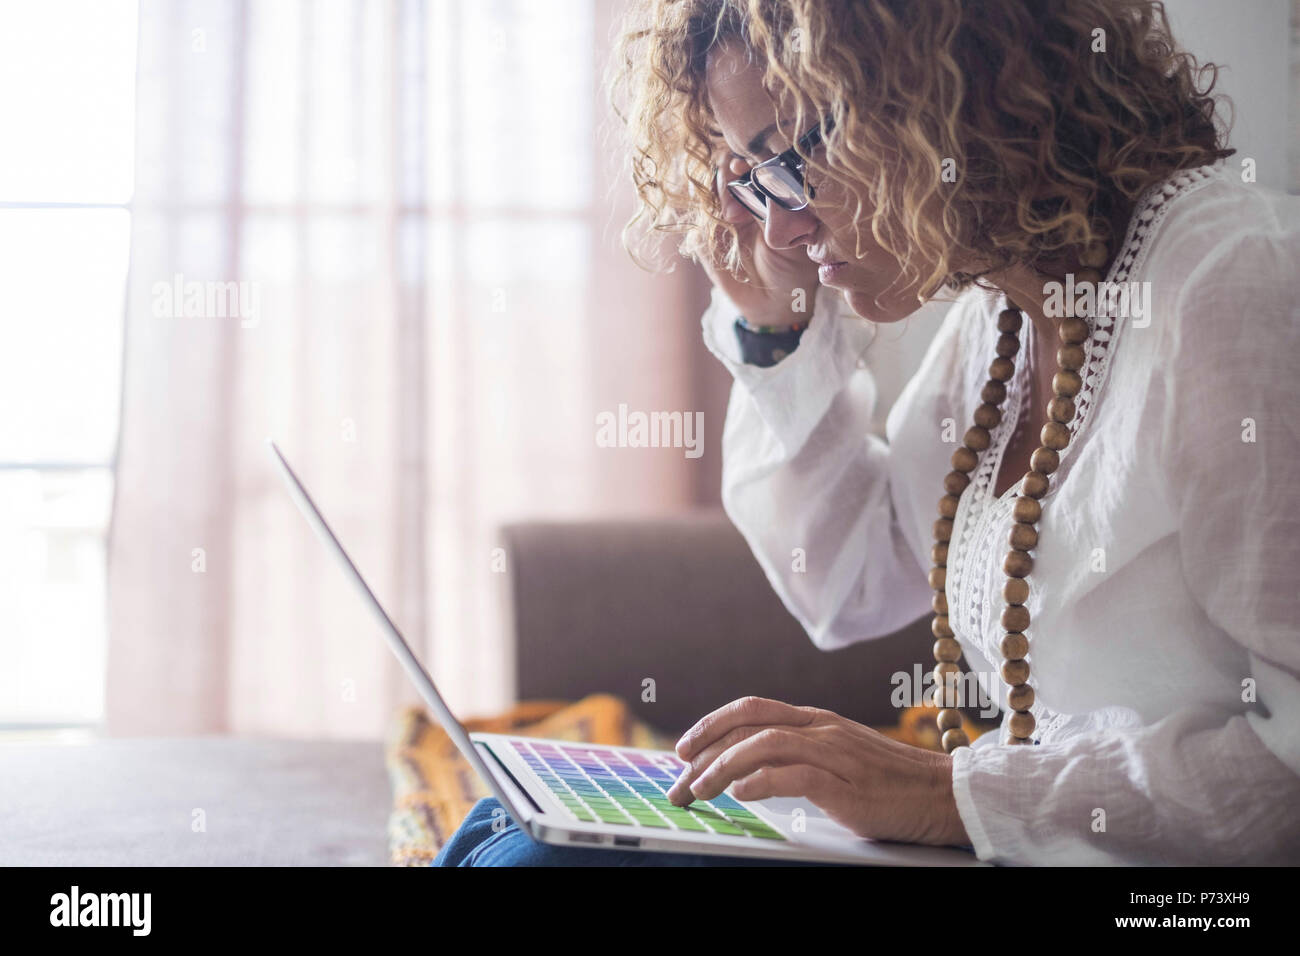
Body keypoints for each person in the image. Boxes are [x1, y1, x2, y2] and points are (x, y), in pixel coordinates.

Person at [438, 0, 1300, 866]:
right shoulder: (1006, 316)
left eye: (797, 153)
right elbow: (849, 582)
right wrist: (777, 329)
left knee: (537, 861)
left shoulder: (1236, 285)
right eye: (752, 176)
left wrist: (946, 792)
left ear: (955, 89)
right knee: (507, 829)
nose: (780, 225)